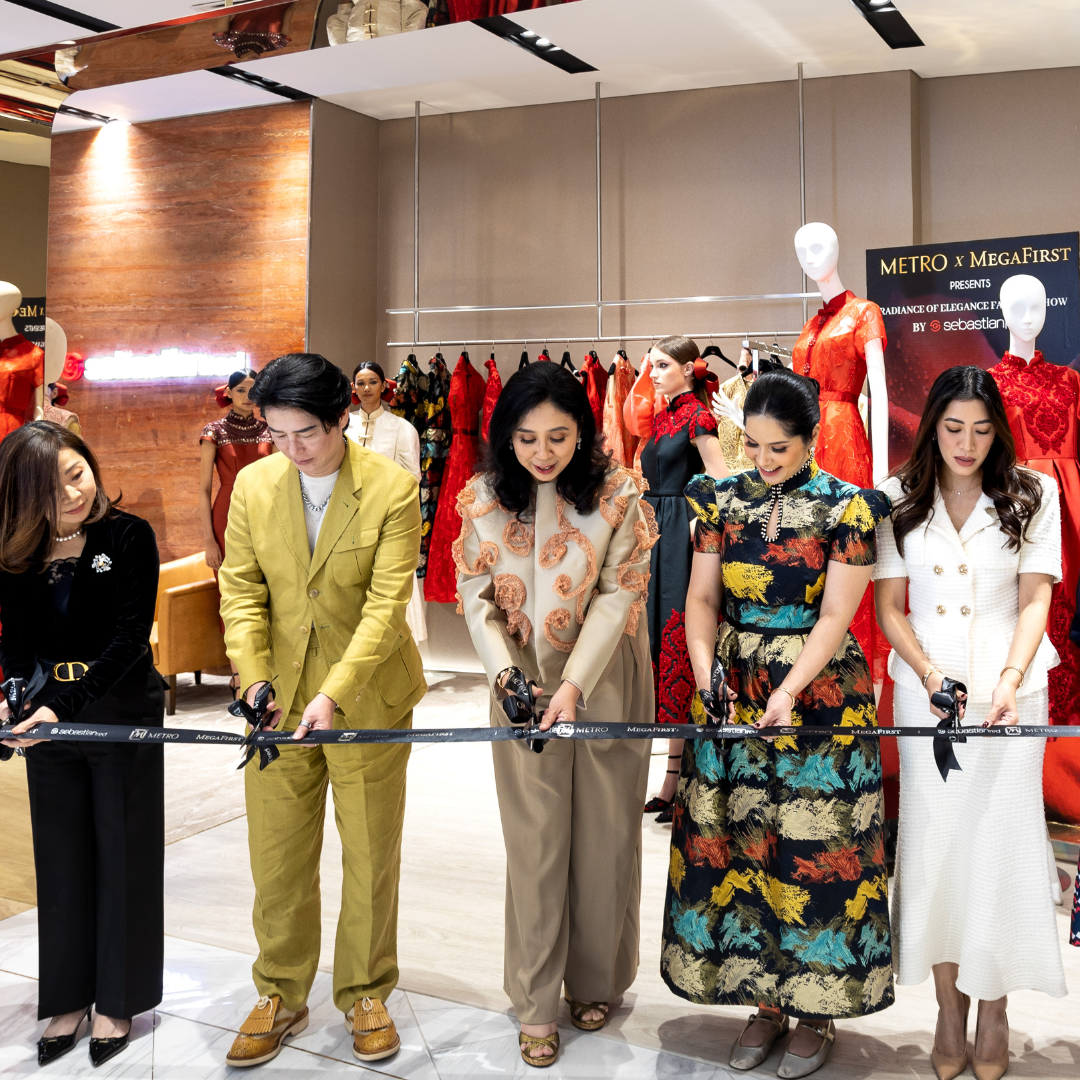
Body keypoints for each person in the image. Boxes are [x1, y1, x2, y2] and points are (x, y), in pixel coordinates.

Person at [661, 370, 894, 1079]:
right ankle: (764, 1001)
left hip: (818, 693)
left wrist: (790, 688)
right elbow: (702, 600)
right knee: (741, 842)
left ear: (811, 439)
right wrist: (708, 674)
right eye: (754, 446)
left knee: (813, 846)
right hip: (733, 687)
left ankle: (816, 1009)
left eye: (779, 449)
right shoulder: (719, 499)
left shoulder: (847, 508)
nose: (763, 461)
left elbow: (836, 616)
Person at [218, 353, 425, 1068]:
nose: (292, 448)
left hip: (367, 696)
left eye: (305, 432)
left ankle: (365, 990)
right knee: (276, 853)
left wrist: (334, 693)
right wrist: (253, 678)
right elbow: (241, 589)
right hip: (276, 702)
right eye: (277, 434)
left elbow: (386, 607)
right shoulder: (255, 485)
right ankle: (279, 990)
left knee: (369, 850)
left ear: (341, 418)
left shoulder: (392, 488)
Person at [455, 362, 656, 1068]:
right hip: (520, 680)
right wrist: (503, 673)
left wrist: (574, 683)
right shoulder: (482, 499)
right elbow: (476, 597)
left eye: (559, 437)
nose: (542, 453)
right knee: (536, 842)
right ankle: (535, 998)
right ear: (505, 436)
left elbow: (618, 593)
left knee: (605, 834)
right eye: (527, 438)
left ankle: (596, 981)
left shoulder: (619, 494)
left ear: (583, 433)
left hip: (606, 679)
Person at [874, 366, 1064, 1080]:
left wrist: (1011, 678)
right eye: (953, 427)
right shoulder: (896, 497)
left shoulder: (1030, 494)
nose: (966, 443)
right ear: (932, 427)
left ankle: (996, 1008)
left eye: (982, 430)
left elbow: (1036, 600)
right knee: (938, 850)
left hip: (1012, 693)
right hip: (927, 696)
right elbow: (890, 606)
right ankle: (949, 1011)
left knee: (1000, 851)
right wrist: (928, 673)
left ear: (998, 432)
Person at [0, 422, 164, 1068]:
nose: (73, 493)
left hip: (119, 709)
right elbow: (15, 643)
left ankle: (118, 1000)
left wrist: (57, 704)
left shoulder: (128, 536)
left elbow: (129, 640)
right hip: (47, 719)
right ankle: (66, 998)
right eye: (52, 487)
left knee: (123, 855)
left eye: (77, 473)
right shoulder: (17, 551)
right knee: (61, 860)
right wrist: (14, 694)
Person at [636, 336, 726, 822]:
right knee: (657, 646)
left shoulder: (699, 417)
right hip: (653, 534)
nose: (652, 374)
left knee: (679, 646)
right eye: (651, 366)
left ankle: (685, 782)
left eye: (661, 365)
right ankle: (671, 781)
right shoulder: (662, 416)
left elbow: (723, 479)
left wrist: (698, 519)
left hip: (679, 538)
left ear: (690, 369)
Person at [199, 368, 273, 695]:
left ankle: (269, 668)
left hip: (267, 514)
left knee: (270, 589)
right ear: (228, 393)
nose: (248, 396)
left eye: (253, 390)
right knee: (231, 594)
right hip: (226, 515)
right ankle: (240, 674)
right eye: (241, 390)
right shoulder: (213, 431)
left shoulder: (270, 429)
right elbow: (203, 489)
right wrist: (208, 540)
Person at [347, 360, 426, 642]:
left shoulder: (401, 428)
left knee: (390, 576)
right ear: (354, 387)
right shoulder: (342, 425)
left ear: (384, 386)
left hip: (387, 516)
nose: (367, 388)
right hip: (346, 516)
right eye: (361, 383)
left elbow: (412, 478)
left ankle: (398, 644)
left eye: (373, 382)